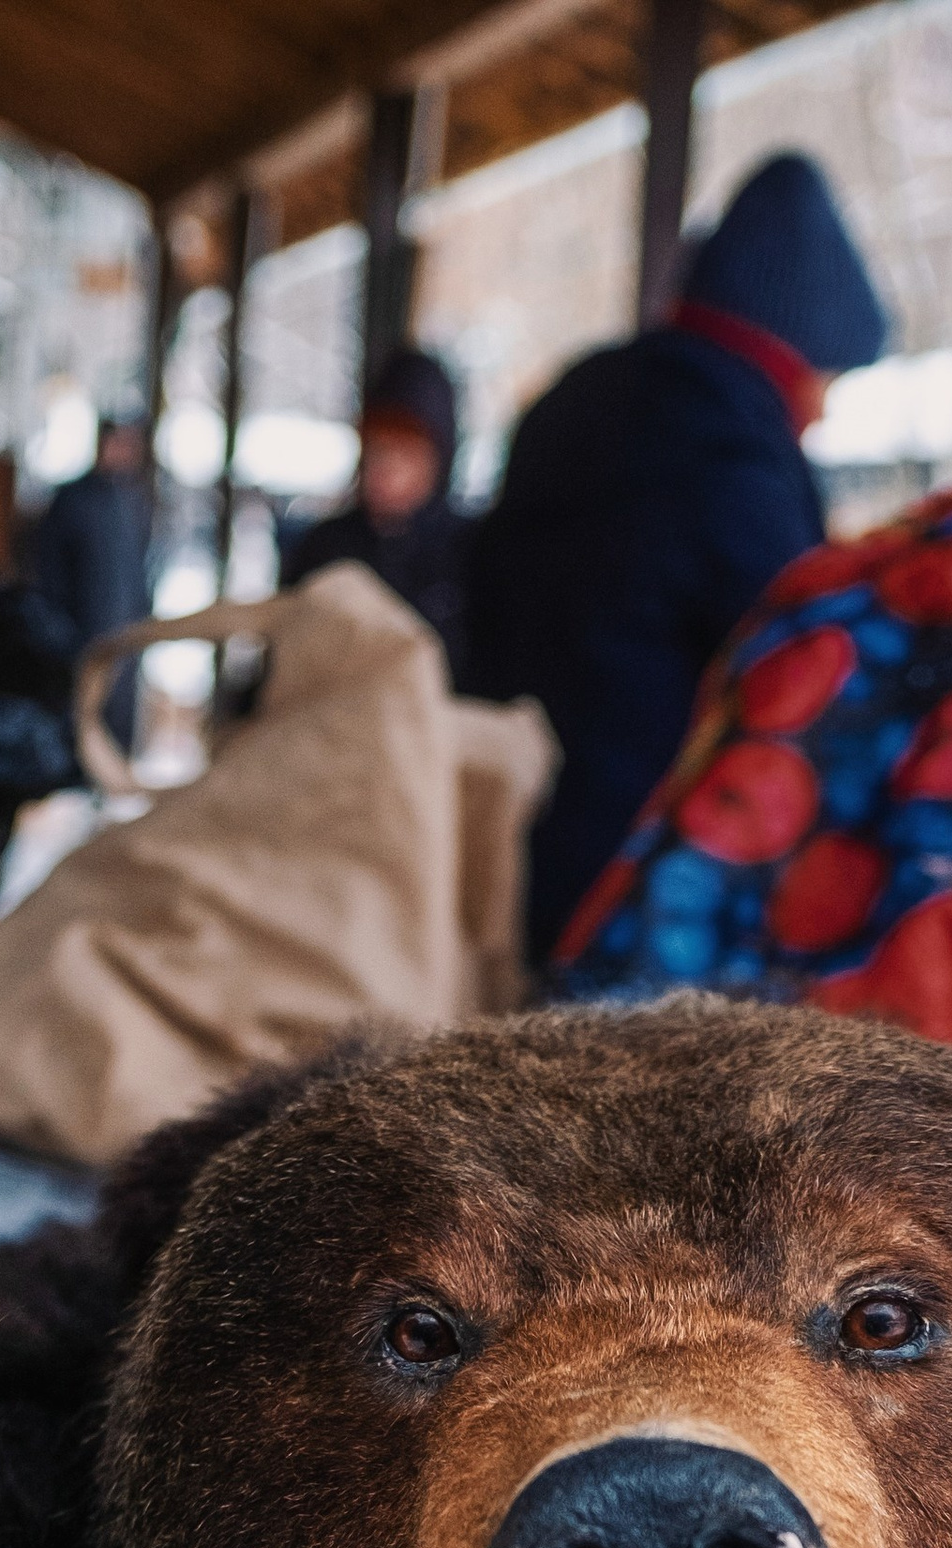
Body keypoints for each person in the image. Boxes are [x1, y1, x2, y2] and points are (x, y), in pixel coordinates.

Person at [468, 152, 889, 959]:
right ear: (787, 352)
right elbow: (794, 653)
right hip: (631, 875)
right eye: (826, 379)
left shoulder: (579, 396)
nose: (823, 413)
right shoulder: (731, 449)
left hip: (499, 822)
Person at [283, 347, 471, 671]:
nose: (387, 468)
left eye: (406, 452)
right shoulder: (326, 546)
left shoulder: (469, 555)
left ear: (438, 461)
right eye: (377, 447)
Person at [24, 413, 153, 746]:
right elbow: (48, 573)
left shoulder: (131, 502)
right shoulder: (72, 500)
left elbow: (138, 572)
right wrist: (60, 634)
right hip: (79, 644)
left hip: (121, 646)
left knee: (114, 736)